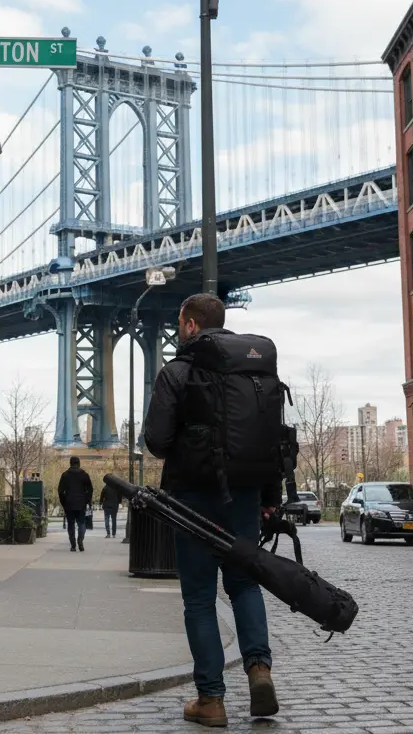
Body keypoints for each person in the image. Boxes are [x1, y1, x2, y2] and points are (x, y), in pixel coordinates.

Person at [143, 293, 283, 726]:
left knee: (200, 598)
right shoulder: (253, 370)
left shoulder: (177, 372)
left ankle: (211, 699)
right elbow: (270, 438)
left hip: (193, 498)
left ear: (188, 325)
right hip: (243, 495)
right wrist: (268, 498)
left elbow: (157, 441)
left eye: (178, 323)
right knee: (243, 584)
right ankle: (259, 668)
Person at [56, 456, 93, 552]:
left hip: (69, 503)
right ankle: (80, 540)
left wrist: (64, 502)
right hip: (81, 503)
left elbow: (60, 491)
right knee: (81, 523)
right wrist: (87, 500)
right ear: (79, 463)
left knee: (71, 524)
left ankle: (73, 545)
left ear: (70, 463)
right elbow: (90, 489)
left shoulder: (65, 475)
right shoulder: (84, 475)